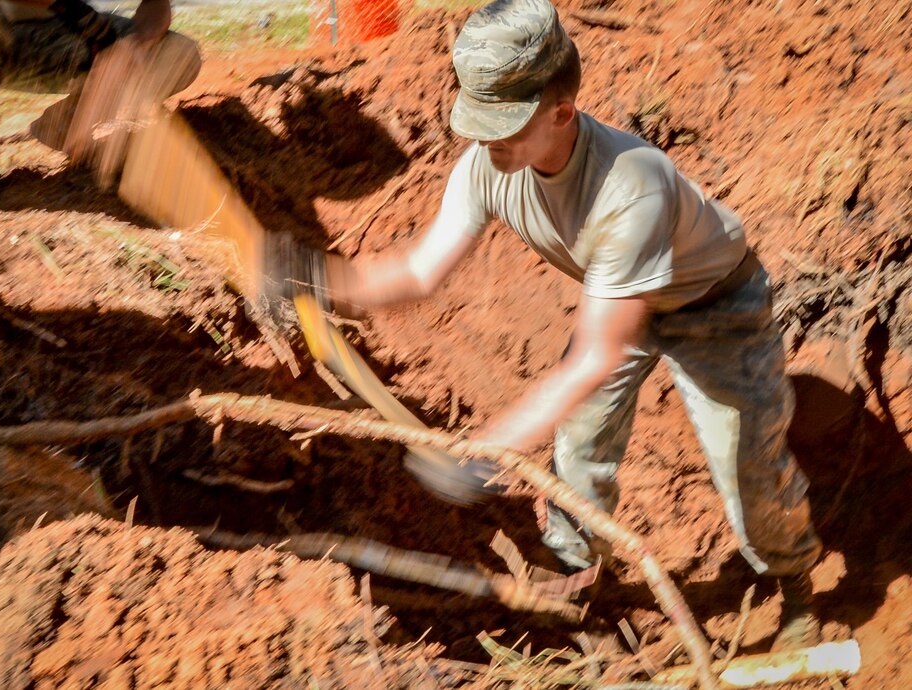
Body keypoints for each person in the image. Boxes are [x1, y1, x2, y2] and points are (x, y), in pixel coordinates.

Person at [267, 0, 822, 651]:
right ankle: (577, 576)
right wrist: (310, 275)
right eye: (478, 121)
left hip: (715, 306)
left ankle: (798, 587)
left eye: (502, 125)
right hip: (621, 298)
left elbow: (593, 358)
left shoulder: (629, 185)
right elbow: (420, 272)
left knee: (745, 467)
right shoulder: (488, 163)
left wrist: (485, 453)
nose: (484, 139)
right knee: (580, 444)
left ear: (561, 112)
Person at [0, 0, 201, 198]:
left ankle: (67, 123)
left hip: (52, 35)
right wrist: (81, 17)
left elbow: (155, 7)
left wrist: (135, 44)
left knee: (179, 54)